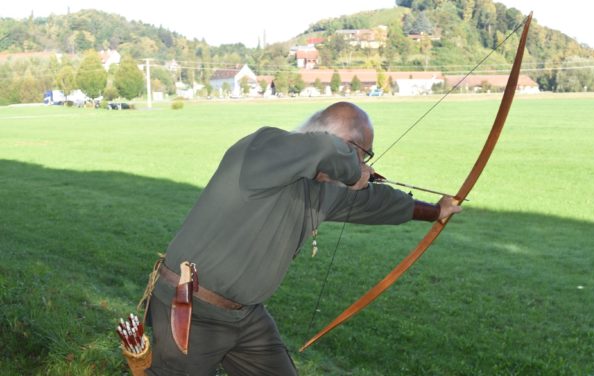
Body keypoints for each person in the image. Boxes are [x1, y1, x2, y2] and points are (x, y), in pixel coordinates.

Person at [146, 102, 461, 375]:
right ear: (342, 144)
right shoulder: (263, 148)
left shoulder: (323, 189)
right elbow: (324, 149)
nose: (365, 164)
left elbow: (377, 202)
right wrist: (353, 170)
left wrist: (436, 211)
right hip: (192, 309)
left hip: (246, 315)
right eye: (364, 154)